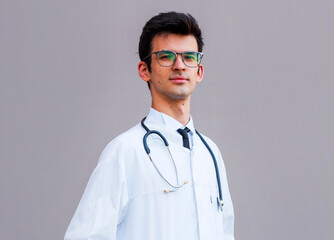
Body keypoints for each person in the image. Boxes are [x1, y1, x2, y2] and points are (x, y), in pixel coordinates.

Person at [64, 12, 234, 240]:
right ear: (145, 70)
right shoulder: (124, 152)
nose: (179, 66)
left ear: (199, 71)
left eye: (189, 57)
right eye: (166, 56)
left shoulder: (211, 153)